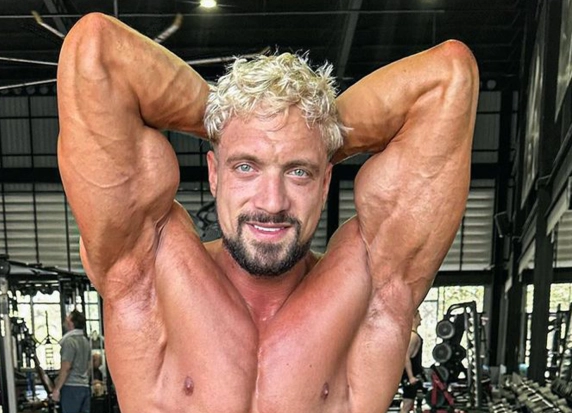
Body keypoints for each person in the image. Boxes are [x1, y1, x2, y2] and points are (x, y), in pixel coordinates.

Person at [57, 12, 478, 413]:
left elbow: (448, 77)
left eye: (299, 171)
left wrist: (313, 133)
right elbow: (98, 49)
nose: (272, 202)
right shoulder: (146, 271)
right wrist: (232, 120)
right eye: (246, 166)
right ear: (214, 173)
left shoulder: (373, 287)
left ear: (325, 183)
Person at [52, 310, 91, 413]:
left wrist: (57, 389)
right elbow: (89, 365)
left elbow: (66, 367)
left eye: (68, 317)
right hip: (84, 386)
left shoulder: (69, 341)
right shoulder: (85, 341)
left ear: (71, 323)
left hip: (71, 388)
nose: (65, 318)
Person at [401, 310, 424, 413]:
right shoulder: (413, 336)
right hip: (409, 376)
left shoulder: (412, 335)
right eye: (419, 316)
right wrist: (410, 377)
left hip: (414, 374)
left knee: (410, 404)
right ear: (413, 318)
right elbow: (406, 357)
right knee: (407, 404)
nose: (421, 319)